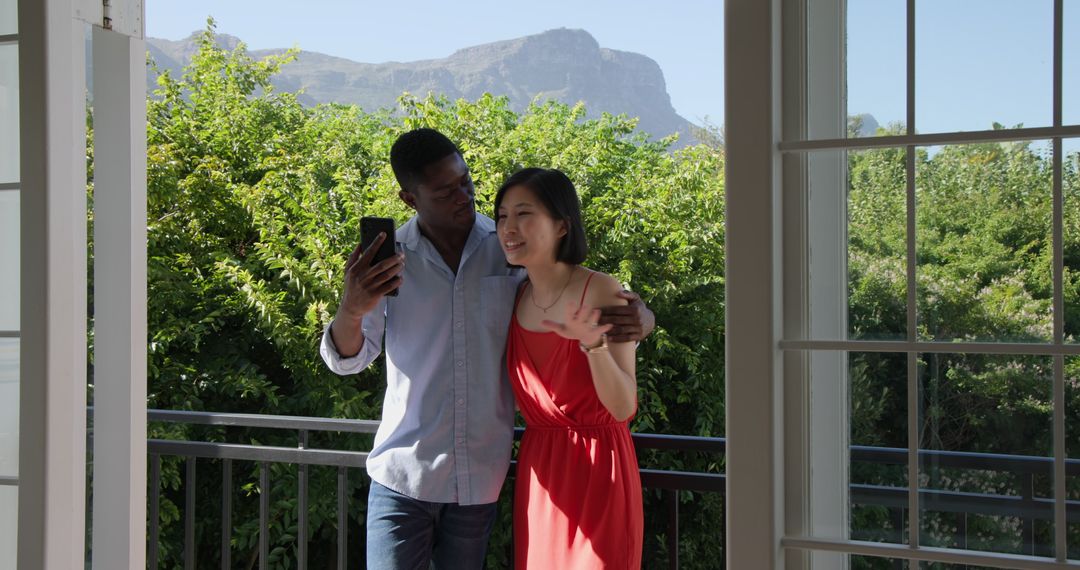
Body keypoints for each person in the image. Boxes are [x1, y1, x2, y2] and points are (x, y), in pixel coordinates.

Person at [320, 128, 654, 569]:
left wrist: (641, 319)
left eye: (466, 182)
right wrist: (350, 308)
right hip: (402, 476)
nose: (464, 197)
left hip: (478, 480)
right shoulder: (391, 260)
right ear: (409, 198)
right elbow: (349, 360)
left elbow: (570, 288)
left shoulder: (507, 248)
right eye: (446, 191)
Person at [495, 167, 644, 569]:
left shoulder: (601, 290)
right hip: (541, 474)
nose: (510, 227)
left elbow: (622, 407)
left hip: (601, 472)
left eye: (524, 214)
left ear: (562, 225)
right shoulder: (515, 296)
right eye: (502, 215)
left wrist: (593, 345)